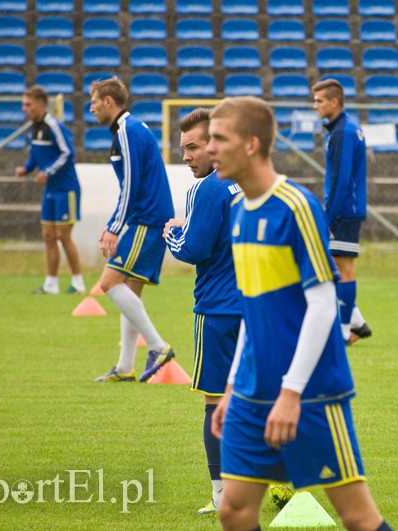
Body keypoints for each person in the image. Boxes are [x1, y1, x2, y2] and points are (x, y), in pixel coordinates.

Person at [206, 96, 392, 531]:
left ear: (251, 144)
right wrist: (233, 386)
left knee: (357, 518)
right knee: (232, 510)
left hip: (310, 394)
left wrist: (291, 393)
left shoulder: (296, 206)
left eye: (219, 138)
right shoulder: (237, 212)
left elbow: (324, 303)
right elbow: (254, 314)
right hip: (251, 391)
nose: (210, 148)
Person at [163, 108, 243, 516]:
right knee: (255, 399)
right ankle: (279, 486)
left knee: (216, 401)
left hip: (216, 309)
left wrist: (172, 233)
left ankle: (221, 494)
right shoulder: (245, 183)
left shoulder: (207, 189)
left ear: (215, 145)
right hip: (255, 308)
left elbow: (193, 249)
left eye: (193, 147)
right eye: (184, 149)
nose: (186, 156)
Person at [88, 77, 176, 384]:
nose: (91, 108)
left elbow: (131, 185)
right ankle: (125, 367)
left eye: (94, 101)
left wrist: (114, 227)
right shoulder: (131, 129)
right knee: (130, 290)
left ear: (109, 102)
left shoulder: (127, 130)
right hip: (149, 218)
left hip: (147, 219)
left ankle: (158, 347)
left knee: (110, 282)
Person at [312, 79, 372, 345]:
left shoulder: (343, 132)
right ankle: (356, 321)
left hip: (345, 209)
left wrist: (329, 215)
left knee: (343, 268)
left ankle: (345, 328)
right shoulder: (341, 129)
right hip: (346, 207)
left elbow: (341, 178)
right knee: (334, 265)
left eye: (319, 101)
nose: (315, 106)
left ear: (334, 102)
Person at [16, 85, 85, 295]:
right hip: (51, 191)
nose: (23, 108)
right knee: (48, 235)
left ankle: (78, 282)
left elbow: (67, 153)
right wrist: (26, 169)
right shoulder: (33, 127)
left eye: (27, 104)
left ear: (40, 104)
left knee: (64, 235)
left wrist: (47, 172)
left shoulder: (53, 125)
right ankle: (51, 283)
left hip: (67, 189)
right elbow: (36, 155)